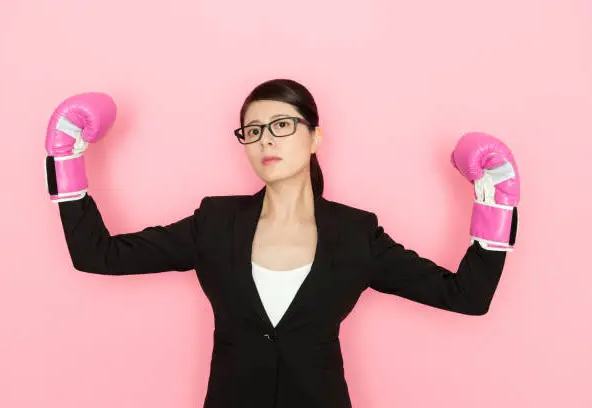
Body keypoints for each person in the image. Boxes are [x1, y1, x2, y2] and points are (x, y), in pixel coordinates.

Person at [44, 79, 520, 408]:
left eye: (281, 125)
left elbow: (467, 297)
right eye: (252, 131)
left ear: (314, 137)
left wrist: (494, 207)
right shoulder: (215, 222)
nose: (264, 140)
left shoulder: (356, 234)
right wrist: (66, 162)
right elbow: (98, 256)